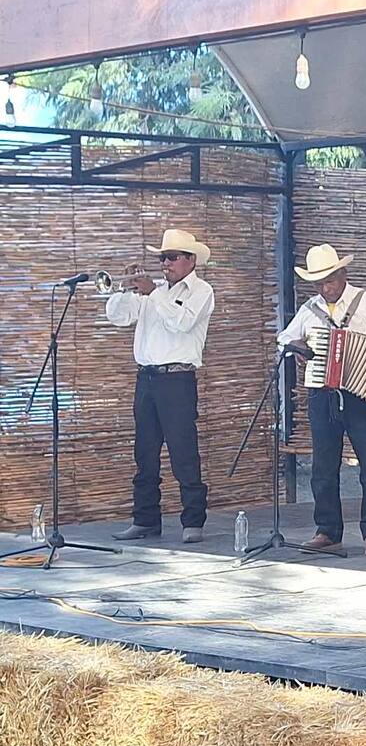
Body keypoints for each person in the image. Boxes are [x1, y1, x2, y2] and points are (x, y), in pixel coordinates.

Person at [277, 244, 366, 557]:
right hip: (321, 394)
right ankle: (327, 532)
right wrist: (296, 344)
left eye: (329, 280)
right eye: (318, 283)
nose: (324, 288)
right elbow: (284, 338)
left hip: (362, 396)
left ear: (343, 273)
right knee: (323, 467)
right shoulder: (310, 309)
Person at [108, 229, 215, 544]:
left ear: (190, 260)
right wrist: (126, 289)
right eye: (162, 258)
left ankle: (193, 521)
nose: (165, 263)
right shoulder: (153, 293)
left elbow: (182, 323)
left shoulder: (201, 291)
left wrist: (153, 293)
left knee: (183, 451)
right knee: (145, 452)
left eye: (171, 257)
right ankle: (145, 520)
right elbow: (117, 317)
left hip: (177, 380)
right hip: (147, 378)